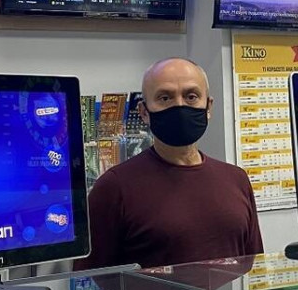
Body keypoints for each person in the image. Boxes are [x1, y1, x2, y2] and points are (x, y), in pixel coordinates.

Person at [74, 58, 264, 270]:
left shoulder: (236, 179)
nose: (180, 106)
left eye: (191, 96)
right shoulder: (114, 187)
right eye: (165, 98)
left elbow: (251, 265)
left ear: (208, 107)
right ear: (144, 112)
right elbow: (87, 275)